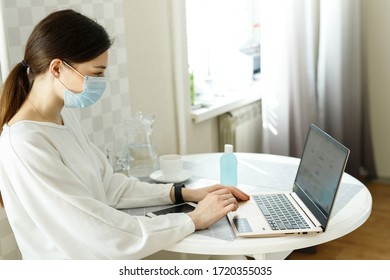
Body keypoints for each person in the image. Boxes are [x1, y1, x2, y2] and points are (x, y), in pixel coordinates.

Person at [0, 9, 249, 259]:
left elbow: (108, 186)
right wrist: (193, 219)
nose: (102, 81)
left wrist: (180, 193)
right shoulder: (25, 143)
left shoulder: (64, 117)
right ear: (56, 68)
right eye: (96, 73)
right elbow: (96, 232)